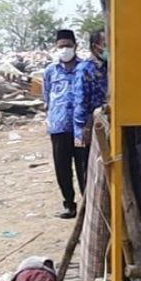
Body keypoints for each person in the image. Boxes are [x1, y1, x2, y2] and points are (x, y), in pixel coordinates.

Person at [43, 29, 83, 219]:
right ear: (55, 48)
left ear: (75, 46)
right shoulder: (51, 70)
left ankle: (88, 205)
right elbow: (47, 95)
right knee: (62, 168)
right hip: (59, 127)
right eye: (61, 46)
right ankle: (69, 204)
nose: (64, 49)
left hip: (81, 128)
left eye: (68, 46)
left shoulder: (85, 68)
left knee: (84, 168)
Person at [73, 28, 109, 152]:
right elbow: (80, 101)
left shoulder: (109, 67)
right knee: (90, 165)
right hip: (92, 125)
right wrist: (83, 129)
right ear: (95, 47)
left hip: (108, 124)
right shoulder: (84, 69)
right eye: (106, 44)